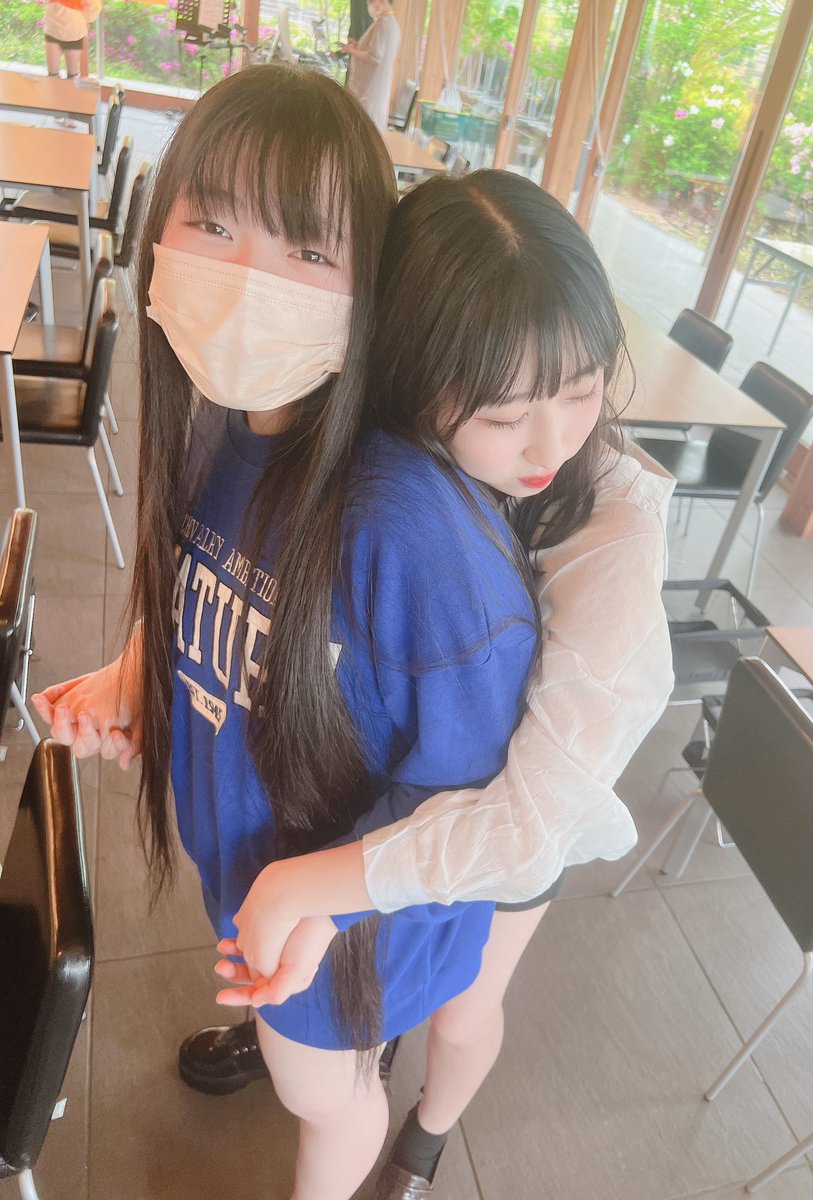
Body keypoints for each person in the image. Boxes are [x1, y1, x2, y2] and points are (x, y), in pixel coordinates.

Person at [36, 164, 673, 1199]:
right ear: (407, 372)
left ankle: (423, 1140)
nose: (553, 444)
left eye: (584, 390)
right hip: (376, 783)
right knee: (334, 1009)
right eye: (507, 413)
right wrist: (149, 662)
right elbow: (246, 557)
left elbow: (524, 817)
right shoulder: (365, 440)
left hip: (516, 805)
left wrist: (314, 893)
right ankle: (327, 1047)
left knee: (463, 1007)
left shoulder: (608, 529)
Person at [340, 0, 401, 130]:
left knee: (363, 123)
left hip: (369, 87)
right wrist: (357, 46)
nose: (370, 4)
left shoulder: (383, 23)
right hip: (377, 86)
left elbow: (374, 56)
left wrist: (352, 50)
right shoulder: (393, 24)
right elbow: (373, 50)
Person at [43, 0, 91, 78]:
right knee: (52, 75)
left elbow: (94, 5)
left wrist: (85, 19)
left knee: (72, 76)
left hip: (73, 32)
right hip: (52, 29)